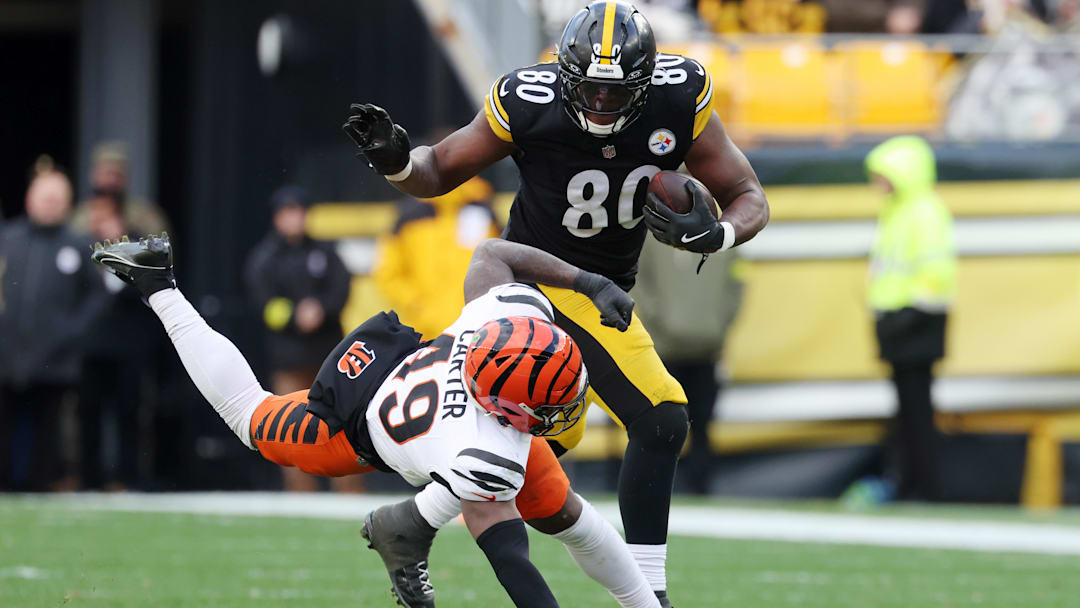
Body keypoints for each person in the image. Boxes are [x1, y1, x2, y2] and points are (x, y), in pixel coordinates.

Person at [342, 3, 769, 605]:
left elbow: (748, 193)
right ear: (564, 75)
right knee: (661, 415)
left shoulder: (680, 96)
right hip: (525, 283)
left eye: (614, 92)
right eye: (588, 89)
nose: (599, 104)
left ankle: (410, 521)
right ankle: (651, 593)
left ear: (646, 82)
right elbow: (437, 170)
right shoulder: (528, 100)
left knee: (537, 454)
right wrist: (396, 161)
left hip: (604, 290)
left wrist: (719, 234)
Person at [91, 234, 659, 608]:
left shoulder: (502, 322)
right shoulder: (489, 448)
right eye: (544, 405)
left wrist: (588, 284)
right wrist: (413, 525)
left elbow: (492, 254)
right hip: (357, 424)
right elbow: (508, 559)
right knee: (249, 416)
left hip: (418, 386)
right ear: (503, 407)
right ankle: (160, 288)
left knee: (561, 513)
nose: (564, 409)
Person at [0, 166, 107, 491]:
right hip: (6, 354)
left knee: (49, 429)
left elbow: (100, 295)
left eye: (56, 199)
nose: (49, 205)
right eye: (44, 197)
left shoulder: (79, 245)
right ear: (30, 199)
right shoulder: (8, 239)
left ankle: (42, 484)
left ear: (67, 203)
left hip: (56, 359)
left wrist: (73, 331)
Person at [865, 135, 956, 502]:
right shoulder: (900, 211)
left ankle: (922, 486)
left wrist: (909, 313)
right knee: (909, 411)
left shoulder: (923, 211)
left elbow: (936, 272)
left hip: (917, 323)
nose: (877, 183)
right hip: (902, 322)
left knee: (917, 412)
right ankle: (911, 483)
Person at [244, 185, 352, 491]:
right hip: (288, 358)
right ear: (277, 218)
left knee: (342, 428)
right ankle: (299, 495)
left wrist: (322, 309)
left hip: (329, 357)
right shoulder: (265, 259)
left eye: (298, 212)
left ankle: (350, 494)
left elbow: (341, 289)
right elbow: (265, 306)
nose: (294, 219)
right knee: (291, 428)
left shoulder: (325, 251)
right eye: (287, 213)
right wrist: (295, 315)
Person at [634, 236, 743, 495]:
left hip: (700, 349)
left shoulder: (724, 238)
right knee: (669, 424)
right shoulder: (653, 238)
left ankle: (693, 486)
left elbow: (737, 284)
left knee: (697, 424)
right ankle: (671, 487)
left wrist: (717, 326)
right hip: (671, 348)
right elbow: (639, 279)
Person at [79, 187, 158, 490]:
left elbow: (143, 288)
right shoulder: (79, 246)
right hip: (92, 347)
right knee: (89, 414)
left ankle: (129, 478)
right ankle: (90, 480)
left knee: (129, 413)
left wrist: (118, 252)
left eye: (105, 213)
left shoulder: (137, 247)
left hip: (128, 347)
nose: (98, 220)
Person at [373, 174, 500, 339]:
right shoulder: (409, 217)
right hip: (425, 333)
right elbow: (387, 273)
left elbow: (498, 268)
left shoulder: (482, 212)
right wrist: (417, 305)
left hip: (477, 330)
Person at [70, 141, 170, 238]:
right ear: (93, 176)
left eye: (117, 175)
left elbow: (162, 247)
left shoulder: (144, 216)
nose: (111, 181)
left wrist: (127, 233)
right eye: (107, 174)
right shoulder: (77, 217)